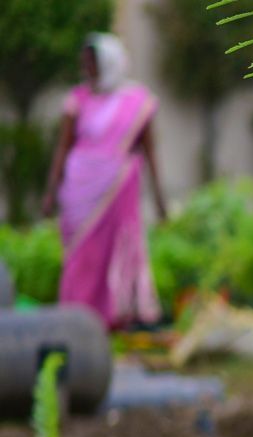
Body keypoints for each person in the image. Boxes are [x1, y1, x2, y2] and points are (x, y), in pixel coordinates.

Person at [42, 33, 167, 329]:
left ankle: (114, 316)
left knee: (113, 251)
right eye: (84, 63)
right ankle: (74, 315)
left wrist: (159, 199)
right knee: (79, 254)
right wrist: (52, 190)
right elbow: (64, 146)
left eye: (92, 62)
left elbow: (149, 152)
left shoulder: (137, 102)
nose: (87, 69)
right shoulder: (77, 99)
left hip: (118, 188)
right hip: (79, 189)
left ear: (108, 62)